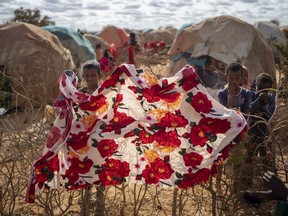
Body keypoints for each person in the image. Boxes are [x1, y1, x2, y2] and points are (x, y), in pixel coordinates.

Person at [246, 72, 276, 165]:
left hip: (265, 133)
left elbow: (271, 114)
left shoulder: (271, 97)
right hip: (252, 132)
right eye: (260, 89)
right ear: (256, 85)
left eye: (266, 89)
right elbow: (249, 109)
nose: (263, 92)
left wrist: (266, 103)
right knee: (249, 158)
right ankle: (247, 178)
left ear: (270, 88)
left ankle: (266, 177)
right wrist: (259, 100)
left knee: (266, 159)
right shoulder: (251, 94)